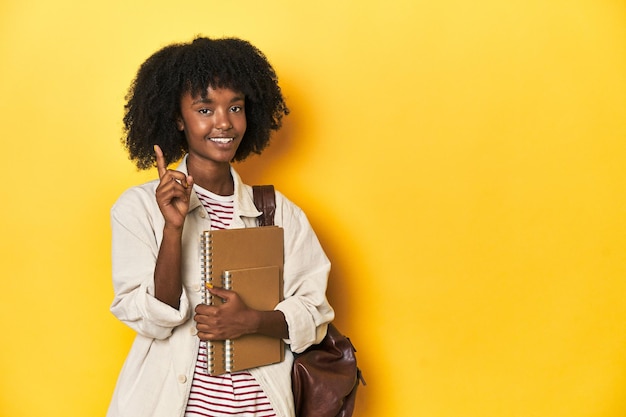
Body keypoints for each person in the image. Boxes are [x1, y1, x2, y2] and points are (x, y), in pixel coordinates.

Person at [107, 36, 334, 417]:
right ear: (178, 118)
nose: (224, 123)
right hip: (174, 406)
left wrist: (252, 322)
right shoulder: (139, 207)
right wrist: (172, 230)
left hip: (262, 407)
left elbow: (315, 314)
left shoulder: (280, 212)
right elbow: (151, 319)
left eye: (235, 107)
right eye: (205, 109)